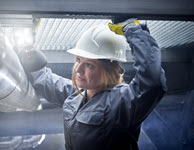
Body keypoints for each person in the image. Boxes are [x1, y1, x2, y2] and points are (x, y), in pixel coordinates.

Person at [23, 19, 167, 150]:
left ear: (110, 70)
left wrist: (133, 30)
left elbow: (152, 82)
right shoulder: (76, 96)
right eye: (78, 60)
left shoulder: (121, 102)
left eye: (89, 65)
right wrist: (29, 57)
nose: (78, 70)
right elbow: (49, 83)